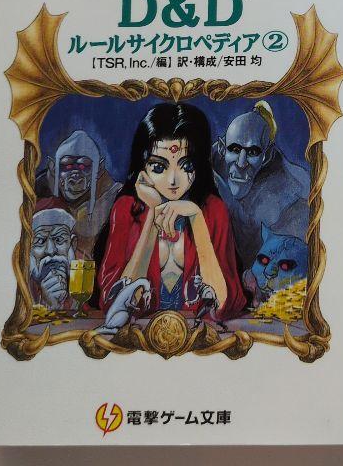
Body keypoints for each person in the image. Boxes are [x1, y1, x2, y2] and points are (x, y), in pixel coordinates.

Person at [94, 102, 244, 321]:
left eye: (186, 166)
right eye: (159, 167)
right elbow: (115, 305)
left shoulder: (213, 210)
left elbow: (223, 304)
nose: (173, 180)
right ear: (142, 167)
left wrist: (196, 218)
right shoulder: (127, 208)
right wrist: (153, 215)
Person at [212, 101, 310, 270]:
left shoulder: (292, 194)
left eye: (252, 152)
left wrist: (227, 200)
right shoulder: (207, 163)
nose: (241, 163)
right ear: (222, 148)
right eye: (234, 149)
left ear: (267, 155)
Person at [36, 128, 119, 257]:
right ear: (53, 168)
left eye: (83, 166)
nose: (75, 178)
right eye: (67, 166)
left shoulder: (114, 197)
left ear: (99, 169)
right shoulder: (39, 192)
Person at [28, 203, 77, 310]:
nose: (51, 250)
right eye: (40, 241)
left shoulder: (81, 284)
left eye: (59, 239)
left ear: (72, 244)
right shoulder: (19, 287)